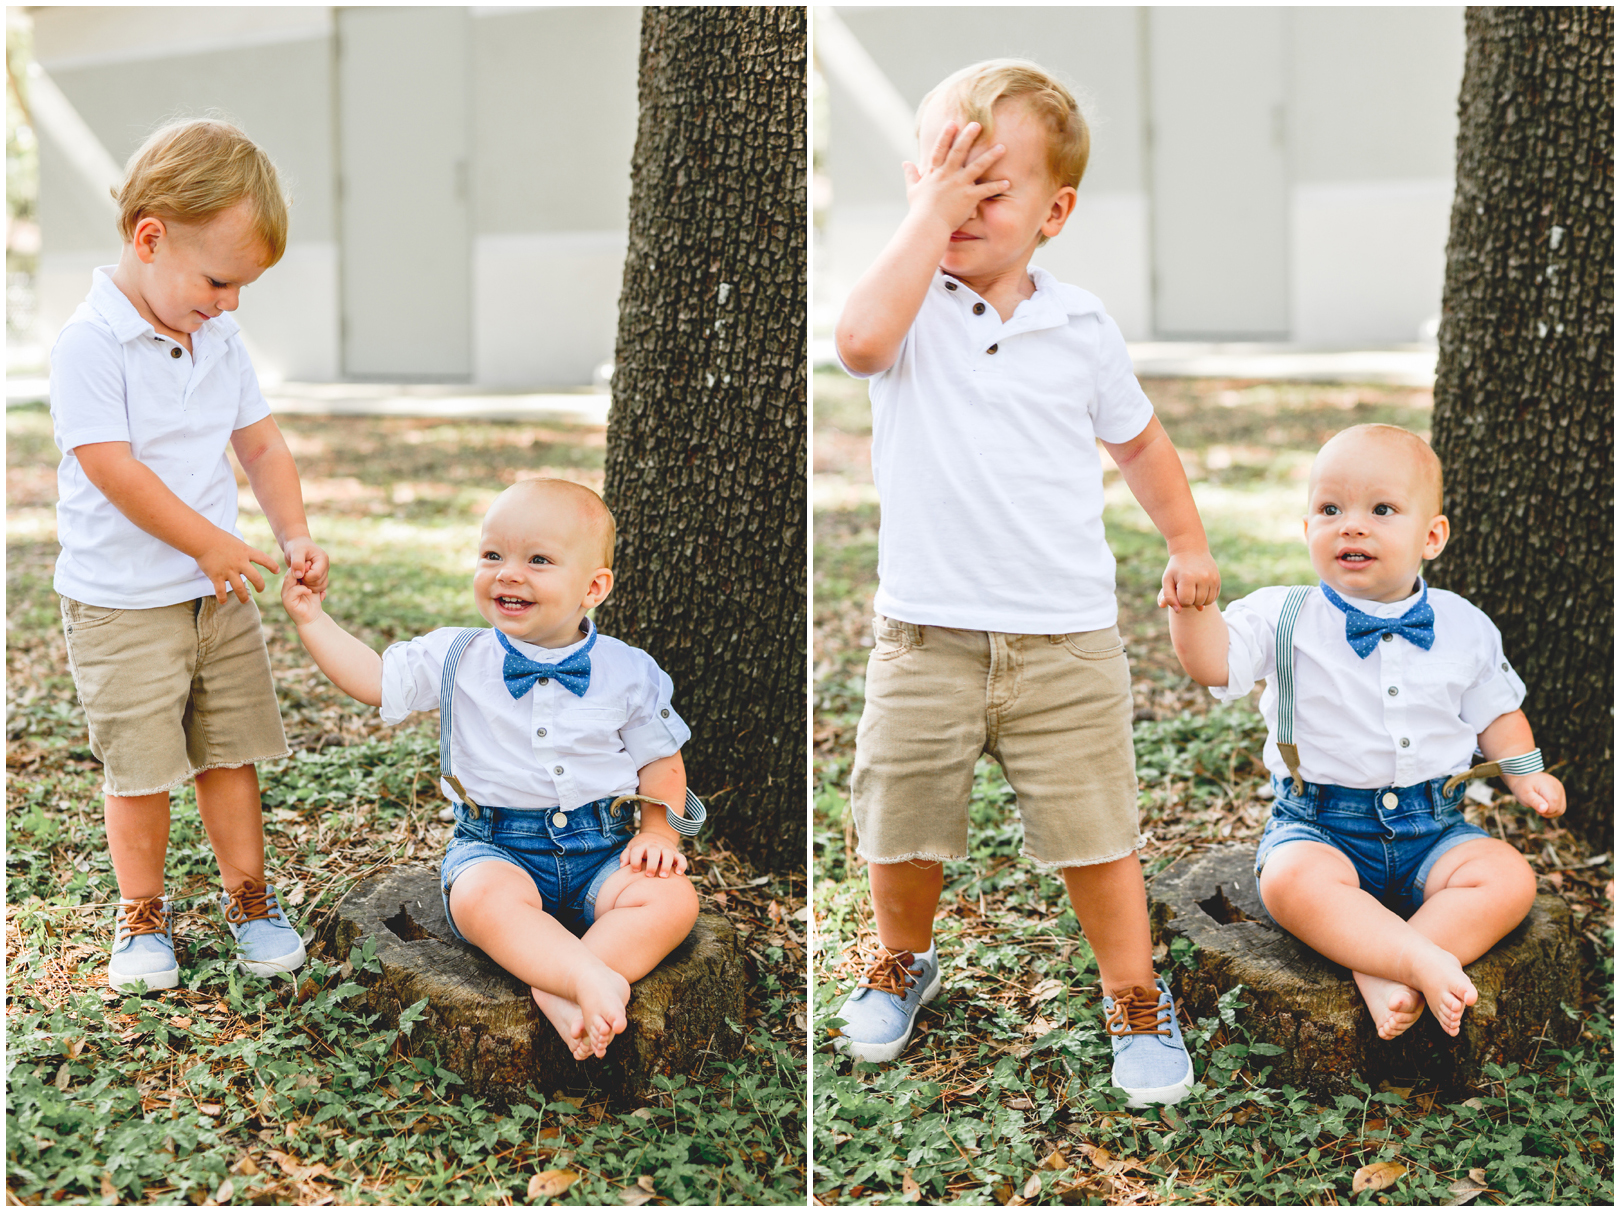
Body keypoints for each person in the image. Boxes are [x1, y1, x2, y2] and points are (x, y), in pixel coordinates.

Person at [831, 59, 1217, 1106]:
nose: (959, 202)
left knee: (1099, 834)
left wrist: (1185, 544)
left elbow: (1141, 446)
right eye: (940, 174)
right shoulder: (907, 307)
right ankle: (902, 959)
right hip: (925, 639)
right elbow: (857, 343)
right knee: (901, 822)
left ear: (1055, 211)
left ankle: (1133, 992)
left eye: (987, 185)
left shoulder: (1081, 326)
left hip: (1067, 643)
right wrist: (929, 214)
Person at [1164, 423, 1564, 1039]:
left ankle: (1395, 962)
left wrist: (1525, 771)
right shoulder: (1282, 614)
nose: (1351, 525)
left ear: (1431, 536)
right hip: (1321, 825)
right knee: (1291, 883)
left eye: (1381, 509)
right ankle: (1411, 960)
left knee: (1508, 878)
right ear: (1307, 531)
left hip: (1435, 829)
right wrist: (1193, 610)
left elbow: (1497, 712)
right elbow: (1213, 663)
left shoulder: (1464, 624)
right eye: (1330, 509)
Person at [282, 478, 702, 1058]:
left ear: (594, 587)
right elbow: (375, 679)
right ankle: (581, 978)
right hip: (498, 846)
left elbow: (661, 760)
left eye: (538, 560)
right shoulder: (458, 655)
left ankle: (566, 980)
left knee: (671, 901)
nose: (508, 572)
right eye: (493, 555)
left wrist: (658, 832)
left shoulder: (629, 670)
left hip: (606, 848)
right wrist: (312, 621)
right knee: (482, 901)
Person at [50, 119, 326, 991]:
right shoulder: (90, 344)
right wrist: (213, 542)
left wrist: (292, 534)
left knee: (228, 750)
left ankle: (249, 898)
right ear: (150, 237)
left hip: (218, 595)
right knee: (139, 768)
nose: (232, 302)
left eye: (244, 286)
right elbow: (113, 472)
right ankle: (142, 917)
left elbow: (262, 447)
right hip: (124, 600)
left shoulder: (219, 338)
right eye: (219, 279)